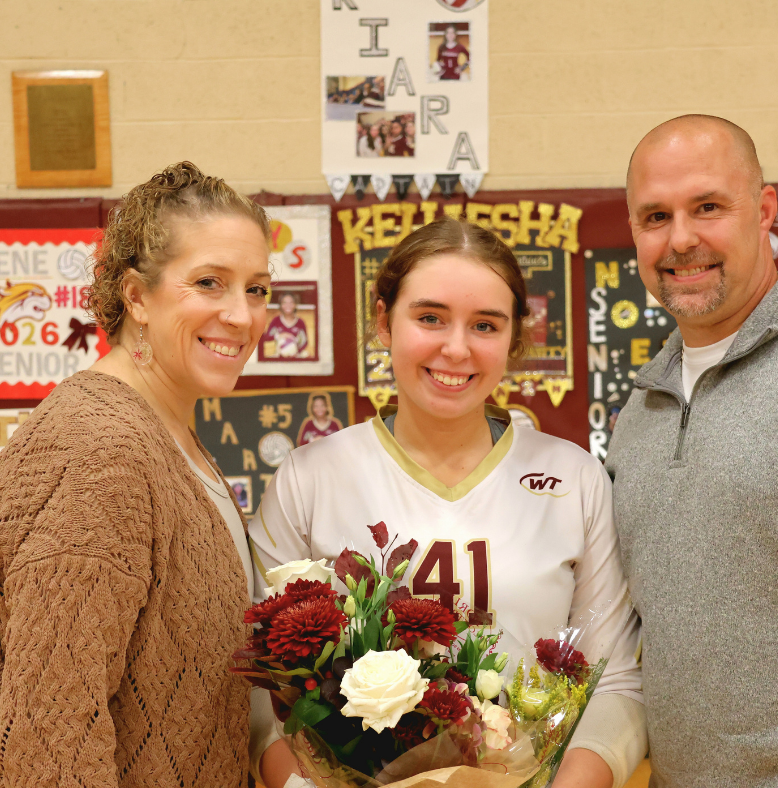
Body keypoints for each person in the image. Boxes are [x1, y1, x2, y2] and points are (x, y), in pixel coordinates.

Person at [249, 218, 646, 788]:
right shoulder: (309, 478)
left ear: (513, 339)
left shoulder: (573, 477)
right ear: (384, 321)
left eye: (485, 324)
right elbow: (263, 690)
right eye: (429, 317)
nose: (456, 348)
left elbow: (616, 684)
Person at [0, 162, 272, 787]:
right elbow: (54, 735)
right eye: (210, 283)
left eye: (256, 288)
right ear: (136, 297)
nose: (242, 315)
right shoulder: (100, 447)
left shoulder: (166, 431)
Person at [606, 114, 778, 787]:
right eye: (654, 217)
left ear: (763, 211)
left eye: (707, 207)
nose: (681, 240)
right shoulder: (640, 412)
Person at [261, 292, 309, 358]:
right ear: (281, 305)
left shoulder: (300, 322)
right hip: (279, 355)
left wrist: (296, 351)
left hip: (295, 356)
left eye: (291, 302)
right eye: (284, 302)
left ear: (295, 305)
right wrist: (279, 335)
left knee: (306, 355)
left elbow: (305, 342)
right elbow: (266, 337)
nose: (288, 305)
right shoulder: (276, 320)